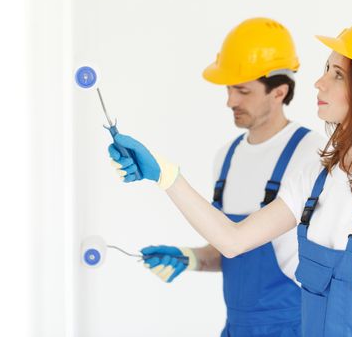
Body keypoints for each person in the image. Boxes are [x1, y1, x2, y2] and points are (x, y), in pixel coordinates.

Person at [109, 14, 352, 337]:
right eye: (326, 69)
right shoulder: (314, 178)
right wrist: (165, 175)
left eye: (338, 74)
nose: (318, 82)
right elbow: (233, 240)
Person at [134, 17, 325, 337]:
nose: (230, 101)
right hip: (237, 329)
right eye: (228, 88)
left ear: (279, 92)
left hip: (292, 328)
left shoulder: (311, 153)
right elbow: (231, 245)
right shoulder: (226, 157)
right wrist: (191, 258)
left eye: (242, 90)